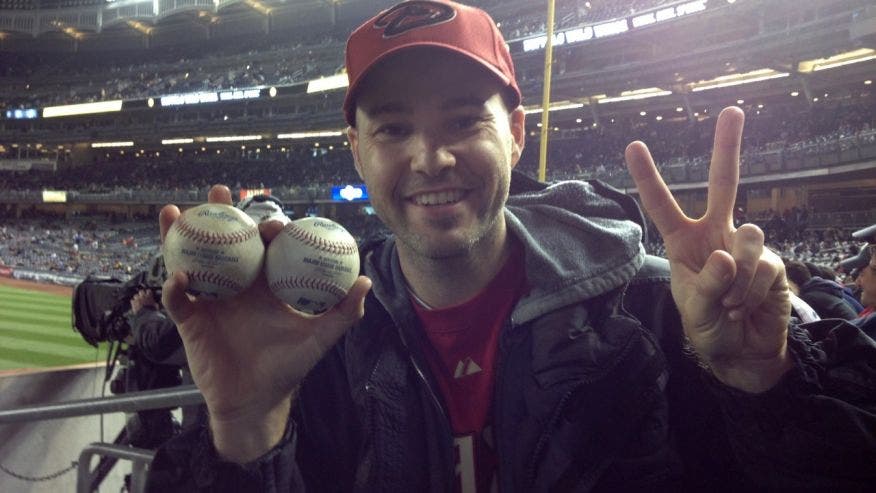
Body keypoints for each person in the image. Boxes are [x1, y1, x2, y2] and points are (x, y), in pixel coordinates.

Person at [147, 1, 876, 491]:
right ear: (356, 152)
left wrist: (764, 382)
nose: (430, 157)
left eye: (464, 119)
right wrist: (242, 433)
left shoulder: (665, 312)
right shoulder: (313, 342)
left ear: (518, 131)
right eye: (394, 128)